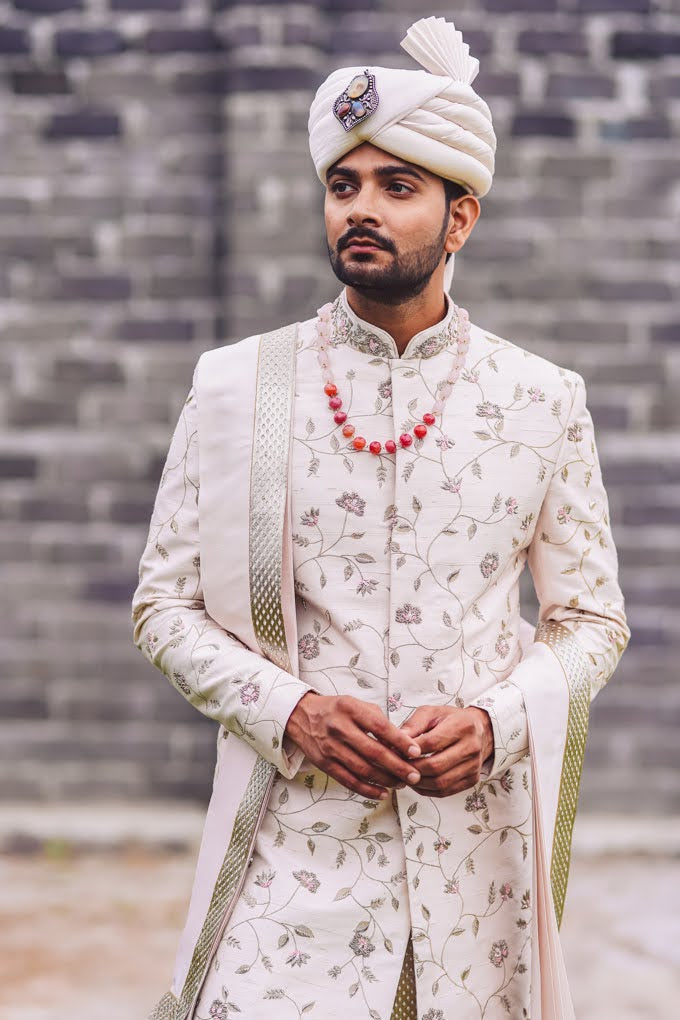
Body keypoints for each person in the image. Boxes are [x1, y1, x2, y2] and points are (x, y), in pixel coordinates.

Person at [131, 16, 629, 1020]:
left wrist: (496, 724)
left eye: (397, 187)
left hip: (471, 871)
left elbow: (588, 623)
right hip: (289, 853)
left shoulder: (540, 399)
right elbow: (163, 607)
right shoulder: (238, 388)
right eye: (342, 184)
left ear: (460, 218)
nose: (359, 208)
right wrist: (292, 711)